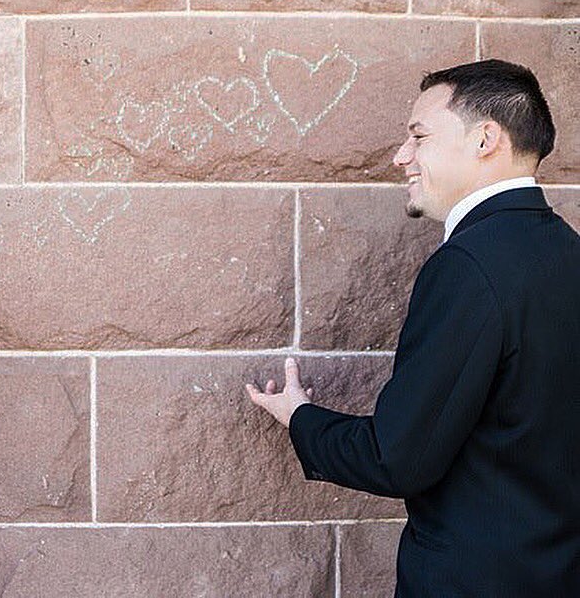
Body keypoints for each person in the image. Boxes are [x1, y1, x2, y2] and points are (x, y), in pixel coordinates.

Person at [246, 59, 580, 596]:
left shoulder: (468, 267)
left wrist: (302, 418)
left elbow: (398, 458)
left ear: (485, 139)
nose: (402, 156)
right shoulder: (567, 253)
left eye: (418, 137)